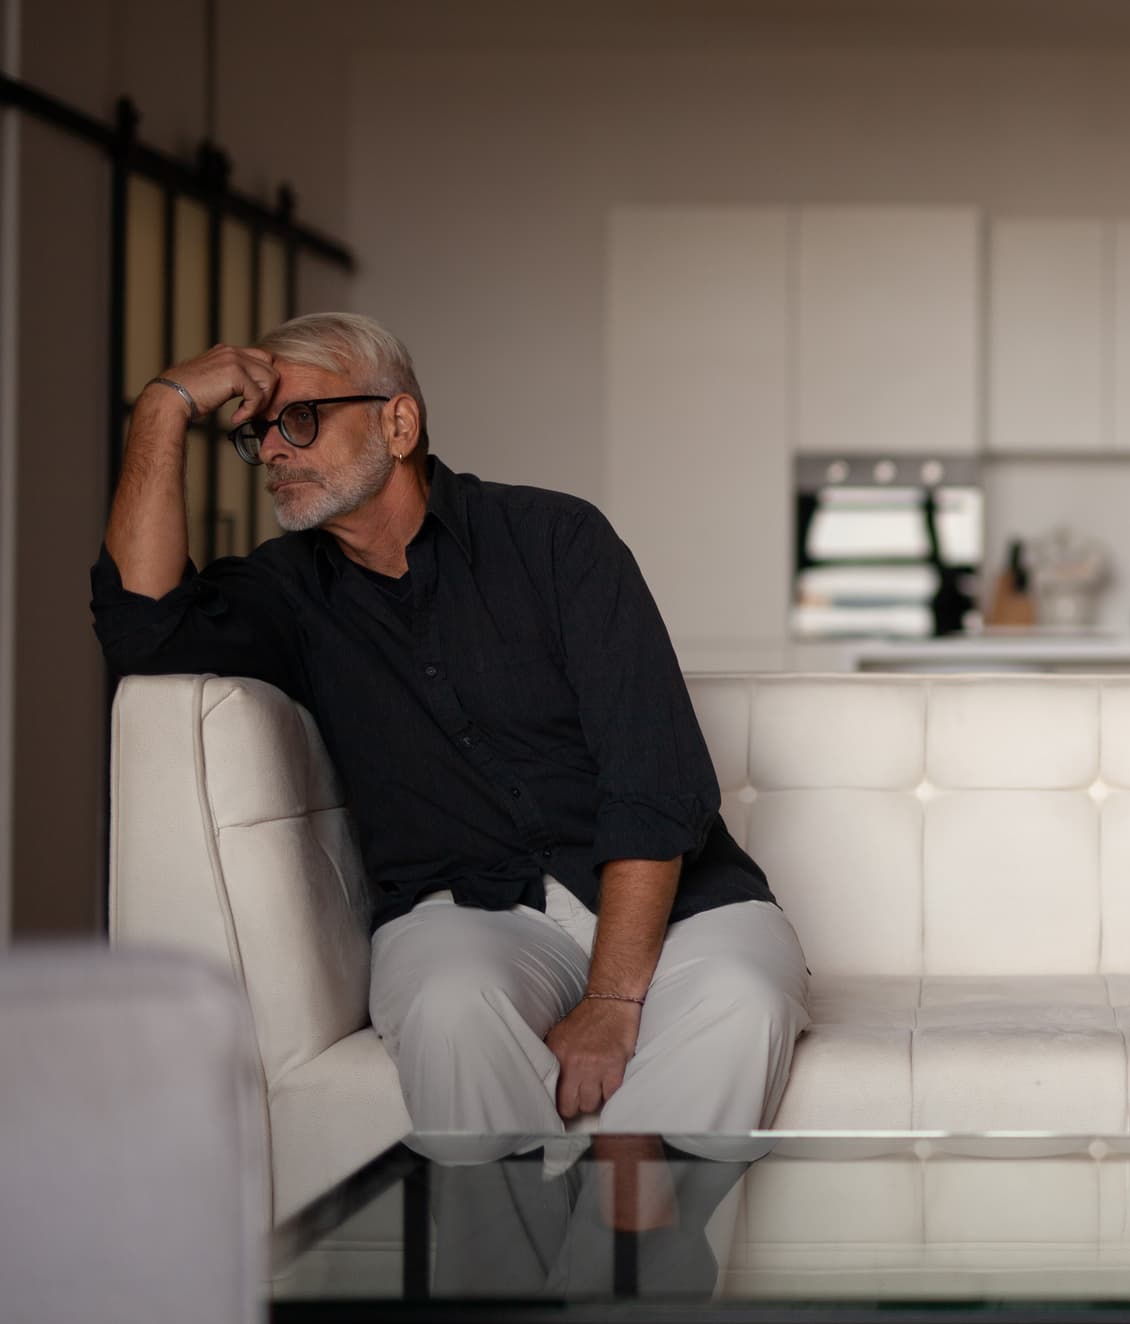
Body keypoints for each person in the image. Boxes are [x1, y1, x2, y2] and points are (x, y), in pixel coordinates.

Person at [91, 313, 809, 1153]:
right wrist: (163, 405)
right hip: (465, 912)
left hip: (683, 905)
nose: (273, 453)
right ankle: (536, 1278)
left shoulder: (555, 538)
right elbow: (142, 630)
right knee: (446, 1010)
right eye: (256, 435)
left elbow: (652, 779)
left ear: (398, 423)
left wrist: (613, 1002)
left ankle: (614, 1252)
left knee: (742, 1002)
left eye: (298, 420)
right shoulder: (283, 592)